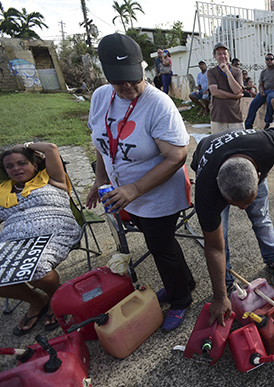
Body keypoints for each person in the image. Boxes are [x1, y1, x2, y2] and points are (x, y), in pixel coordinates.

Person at [86, 33, 195, 332]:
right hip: (124, 193)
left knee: (160, 245)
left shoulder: (158, 103)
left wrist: (134, 189)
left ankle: (181, 300)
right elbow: (102, 141)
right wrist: (100, 178)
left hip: (157, 193)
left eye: (134, 78)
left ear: (143, 67)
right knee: (162, 244)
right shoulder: (100, 97)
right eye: (119, 81)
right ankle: (184, 283)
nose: (128, 86)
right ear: (106, 74)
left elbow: (176, 156)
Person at [190, 123, 274, 325]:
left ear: (258, 176)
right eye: (235, 204)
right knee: (219, 235)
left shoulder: (270, 146)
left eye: (247, 202)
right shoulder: (206, 194)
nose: (242, 209)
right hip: (207, 153)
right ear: (219, 188)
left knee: (261, 217)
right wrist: (219, 297)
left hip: (248, 153)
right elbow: (214, 247)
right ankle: (227, 283)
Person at [0, 142, 80, 336]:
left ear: (34, 164)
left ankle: (55, 297)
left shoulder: (51, 178)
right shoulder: (1, 191)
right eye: (9, 166)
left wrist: (25, 145)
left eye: (22, 163)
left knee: (37, 267)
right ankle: (36, 300)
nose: (16, 168)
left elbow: (51, 148)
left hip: (54, 232)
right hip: (13, 240)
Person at [207, 43, 244, 134]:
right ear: (215, 56)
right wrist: (235, 96)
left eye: (225, 53)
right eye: (219, 54)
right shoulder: (211, 72)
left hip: (235, 116)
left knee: (239, 145)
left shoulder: (237, 72)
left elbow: (237, 90)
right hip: (218, 116)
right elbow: (215, 92)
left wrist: (227, 72)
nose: (222, 56)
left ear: (228, 55)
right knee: (219, 145)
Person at [245, 53, 274, 129]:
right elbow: (261, 84)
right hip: (265, 90)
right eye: (267, 59)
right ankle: (248, 125)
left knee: (270, 98)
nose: (269, 60)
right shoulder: (263, 72)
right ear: (265, 60)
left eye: (271, 59)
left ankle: (268, 122)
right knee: (254, 103)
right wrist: (261, 90)